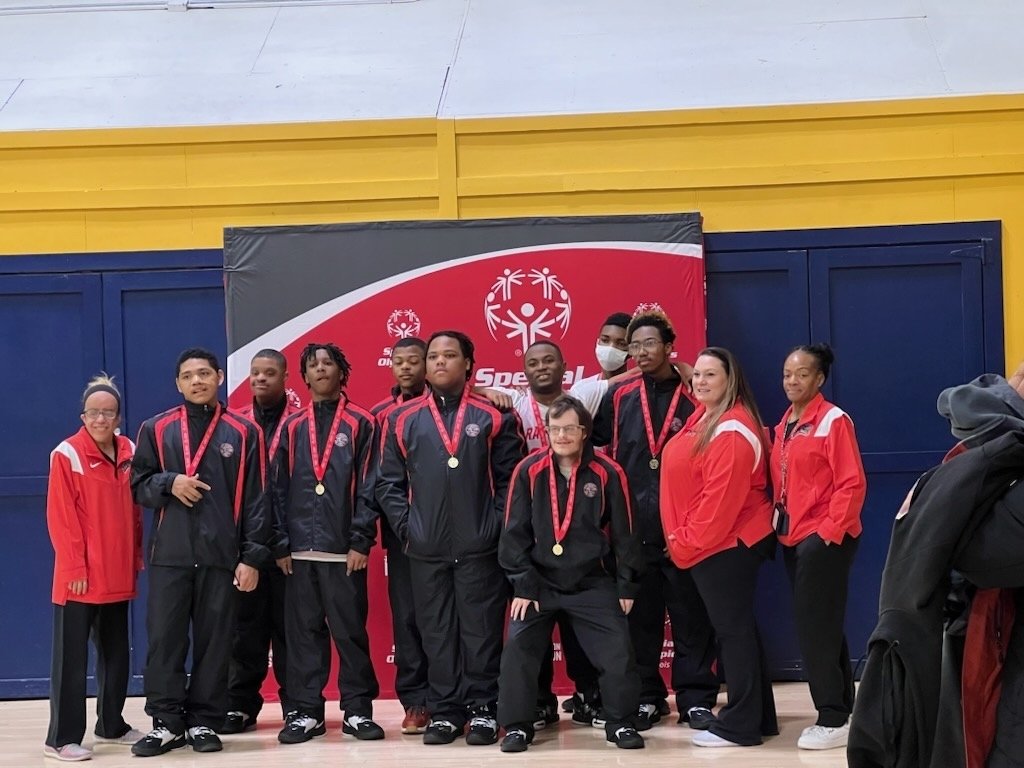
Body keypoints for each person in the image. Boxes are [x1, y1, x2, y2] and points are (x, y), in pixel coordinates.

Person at [377, 330, 526, 746]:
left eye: (449, 355)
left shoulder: (494, 417)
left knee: (479, 631)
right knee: (436, 632)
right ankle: (445, 710)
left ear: (467, 365)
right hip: (425, 550)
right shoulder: (401, 419)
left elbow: (509, 482)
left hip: (480, 547)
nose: (440, 362)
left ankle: (482, 709)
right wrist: (410, 530)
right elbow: (387, 484)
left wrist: (492, 528)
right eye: (434, 356)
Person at [130, 348, 269, 757]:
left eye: (204, 373)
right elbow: (138, 485)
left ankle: (205, 723)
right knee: (164, 641)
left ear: (220, 377)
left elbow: (259, 500)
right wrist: (169, 483)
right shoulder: (156, 429)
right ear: (178, 383)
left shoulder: (244, 433)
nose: (197, 381)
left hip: (220, 556)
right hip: (170, 555)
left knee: (216, 643)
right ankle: (165, 722)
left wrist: (251, 557)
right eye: (188, 375)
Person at [591, 310, 718, 730]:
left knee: (690, 618)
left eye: (649, 344)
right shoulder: (619, 395)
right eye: (634, 346)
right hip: (633, 529)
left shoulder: (694, 394)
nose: (641, 352)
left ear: (668, 347)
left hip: (684, 527)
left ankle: (696, 697)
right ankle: (648, 697)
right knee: (639, 622)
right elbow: (595, 450)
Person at [497, 396, 645, 752]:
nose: (561, 435)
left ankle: (621, 721)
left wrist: (626, 584)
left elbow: (626, 533)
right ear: (546, 432)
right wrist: (523, 585)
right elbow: (513, 534)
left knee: (617, 651)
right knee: (518, 647)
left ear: (584, 432)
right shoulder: (528, 470)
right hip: (539, 583)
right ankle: (517, 726)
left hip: (591, 582)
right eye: (555, 428)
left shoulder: (608, 472)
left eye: (570, 429)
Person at [490, 340, 615, 726]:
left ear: (564, 365)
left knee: (581, 626)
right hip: (534, 521)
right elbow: (466, 387)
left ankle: (587, 695)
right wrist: (483, 390)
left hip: (577, 517)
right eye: (533, 363)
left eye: (549, 361)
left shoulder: (583, 397)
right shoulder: (514, 402)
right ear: (523, 371)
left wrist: (680, 368)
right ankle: (539, 700)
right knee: (530, 619)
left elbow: (630, 375)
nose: (541, 367)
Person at [660, 346, 779, 748]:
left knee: (733, 634)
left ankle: (739, 726)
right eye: (698, 375)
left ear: (731, 380)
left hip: (727, 544)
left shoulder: (731, 431)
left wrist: (684, 543)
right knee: (739, 631)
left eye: (711, 375)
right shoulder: (706, 417)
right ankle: (758, 719)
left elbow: (719, 504)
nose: (701, 381)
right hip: (715, 543)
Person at [271, 343, 383, 743]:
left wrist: (360, 539)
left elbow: (371, 485)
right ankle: (305, 713)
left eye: (328, 363)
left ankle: (357, 710)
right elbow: (276, 488)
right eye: (312, 365)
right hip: (297, 552)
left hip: (343, 550)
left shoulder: (362, 423)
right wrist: (280, 543)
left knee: (350, 632)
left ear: (341, 371)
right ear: (303, 377)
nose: (320, 369)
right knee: (303, 634)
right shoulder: (291, 426)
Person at [44, 375, 145, 762]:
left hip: (118, 574)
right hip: (79, 579)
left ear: (118, 416)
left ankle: (111, 724)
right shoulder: (66, 454)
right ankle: (61, 739)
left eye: (108, 412)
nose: (100, 419)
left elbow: (135, 513)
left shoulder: (130, 450)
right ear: (82, 415)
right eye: (93, 412)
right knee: (71, 661)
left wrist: (134, 556)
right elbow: (61, 517)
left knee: (117, 654)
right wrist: (73, 567)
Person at [771, 344, 866, 750]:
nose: (793, 381)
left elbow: (851, 483)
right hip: (793, 538)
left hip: (823, 539)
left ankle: (830, 716)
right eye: (788, 373)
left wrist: (826, 533)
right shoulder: (786, 422)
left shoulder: (832, 420)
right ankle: (844, 708)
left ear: (820, 378)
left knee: (815, 629)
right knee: (823, 625)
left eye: (802, 374)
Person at [222, 349, 303, 735]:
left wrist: (286, 539)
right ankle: (239, 704)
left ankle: (297, 706)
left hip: (292, 548)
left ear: (286, 377)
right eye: (255, 373)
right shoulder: (235, 423)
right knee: (245, 628)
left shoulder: (301, 422)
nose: (260, 379)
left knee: (291, 630)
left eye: (269, 373)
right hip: (248, 547)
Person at [370, 337, 431, 735]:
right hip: (403, 535)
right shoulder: (377, 416)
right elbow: (374, 479)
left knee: (448, 618)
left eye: (415, 361)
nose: (406, 368)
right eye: (399, 361)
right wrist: (402, 525)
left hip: (450, 533)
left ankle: (456, 697)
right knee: (408, 618)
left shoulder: (458, 405)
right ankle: (416, 701)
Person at [594, 312, 631, 379]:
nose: (610, 348)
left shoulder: (641, 388)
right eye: (605, 340)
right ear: (598, 342)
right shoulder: (581, 388)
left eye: (621, 344)